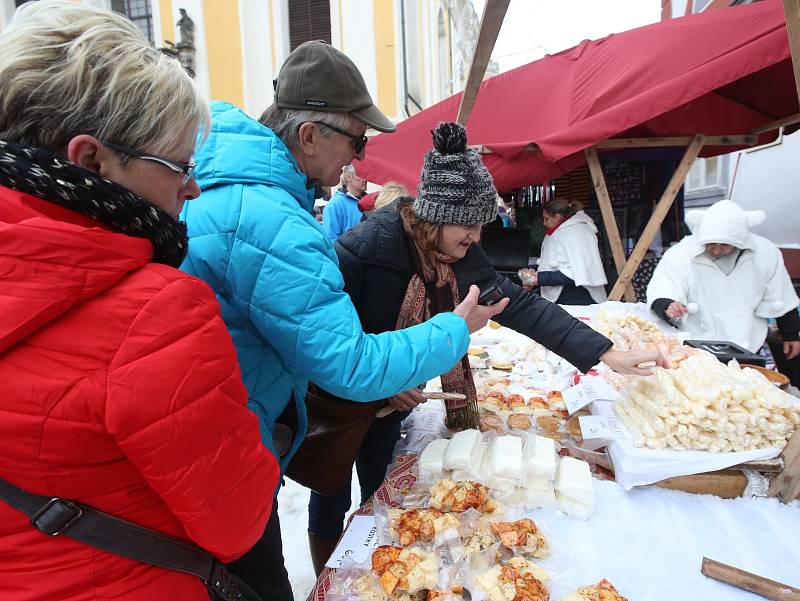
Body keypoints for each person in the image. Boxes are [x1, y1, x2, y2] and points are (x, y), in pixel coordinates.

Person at [180, 43, 506, 599]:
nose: (355, 160)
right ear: (310, 136)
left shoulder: (230, 189)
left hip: (223, 433)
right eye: (356, 141)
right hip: (228, 449)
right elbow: (348, 363)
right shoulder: (274, 222)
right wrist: (453, 330)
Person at [0, 2, 278, 600]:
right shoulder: (155, 313)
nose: (193, 186)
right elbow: (239, 520)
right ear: (90, 160)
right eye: (177, 164)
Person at [307, 121, 668, 566]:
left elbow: (516, 304)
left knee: (379, 492)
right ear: (437, 216)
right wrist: (385, 380)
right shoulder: (364, 248)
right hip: (339, 403)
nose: (477, 240)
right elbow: (329, 339)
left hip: (390, 408)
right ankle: (325, 580)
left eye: (481, 229)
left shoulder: (460, 252)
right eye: (470, 228)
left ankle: (372, 567)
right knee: (329, 494)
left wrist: (606, 352)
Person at [647, 200, 800, 357]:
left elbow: (780, 293)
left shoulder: (765, 254)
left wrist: (791, 334)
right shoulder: (681, 254)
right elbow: (663, 286)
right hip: (696, 344)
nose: (717, 250)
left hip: (750, 341)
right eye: (711, 243)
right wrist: (668, 305)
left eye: (725, 245)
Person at [527, 199, 608, 305]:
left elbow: (575, 274)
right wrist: (536, 277)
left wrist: (539, 278)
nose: (544, 223)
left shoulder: (577, 233)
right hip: (563, 296)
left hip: (579, 297)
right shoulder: (558, 231)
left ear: (557, 217)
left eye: (546, 218)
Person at [323, 164, 367, 243]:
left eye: (366, 175)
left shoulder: (371, 202)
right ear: (348, 177)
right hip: (346, 254)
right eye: (361, 175)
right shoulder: (335, 204)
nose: (365, 179)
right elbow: (330, 239)